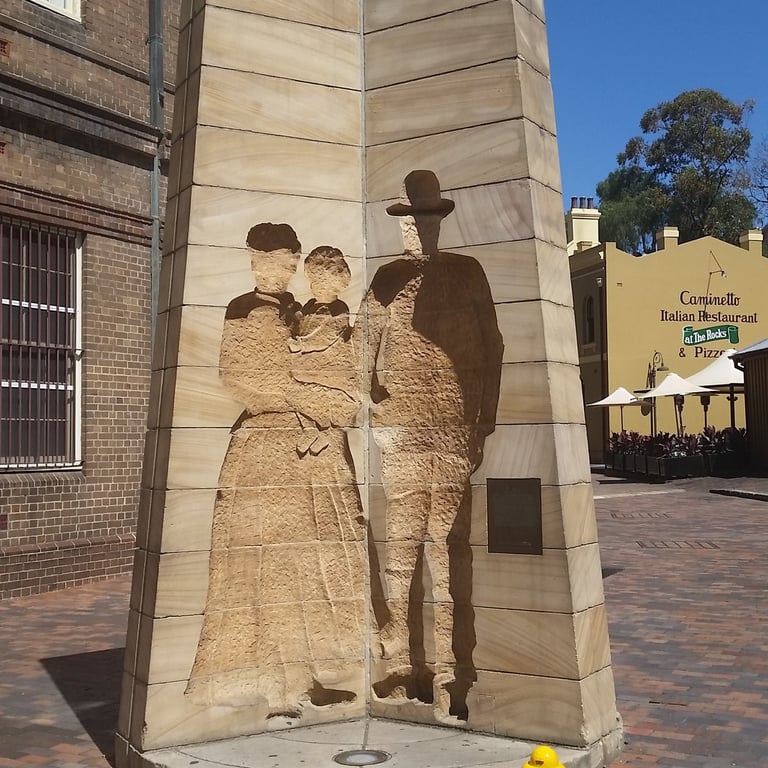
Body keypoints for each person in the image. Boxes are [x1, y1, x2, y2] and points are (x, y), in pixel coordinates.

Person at [185, 224, 365, 718]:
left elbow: (336, 368)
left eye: (291, 260)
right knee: (267, 569)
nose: (286, 268)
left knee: (310, 564)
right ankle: (275, 688)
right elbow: (245, 377)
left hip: (312, 450)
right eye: (277, 259)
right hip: (265, 447)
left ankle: (305, 676)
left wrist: (335, 404)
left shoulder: (302, 313)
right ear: (255, 259)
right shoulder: (244, 309)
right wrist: (317, 400)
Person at [358, 170, 503, 717]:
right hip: (403, 431)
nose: (417, 228)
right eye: (409, 219)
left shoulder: (467, 273)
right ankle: (400, 663)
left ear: (438, 220)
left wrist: (484, 419)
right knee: (401, 549)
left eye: (425, 218)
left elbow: (492, 346)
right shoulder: (386, 279)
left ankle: (451, 671)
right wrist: (377, 410)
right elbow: (361, 351)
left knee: (448, 548)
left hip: (454, 428)